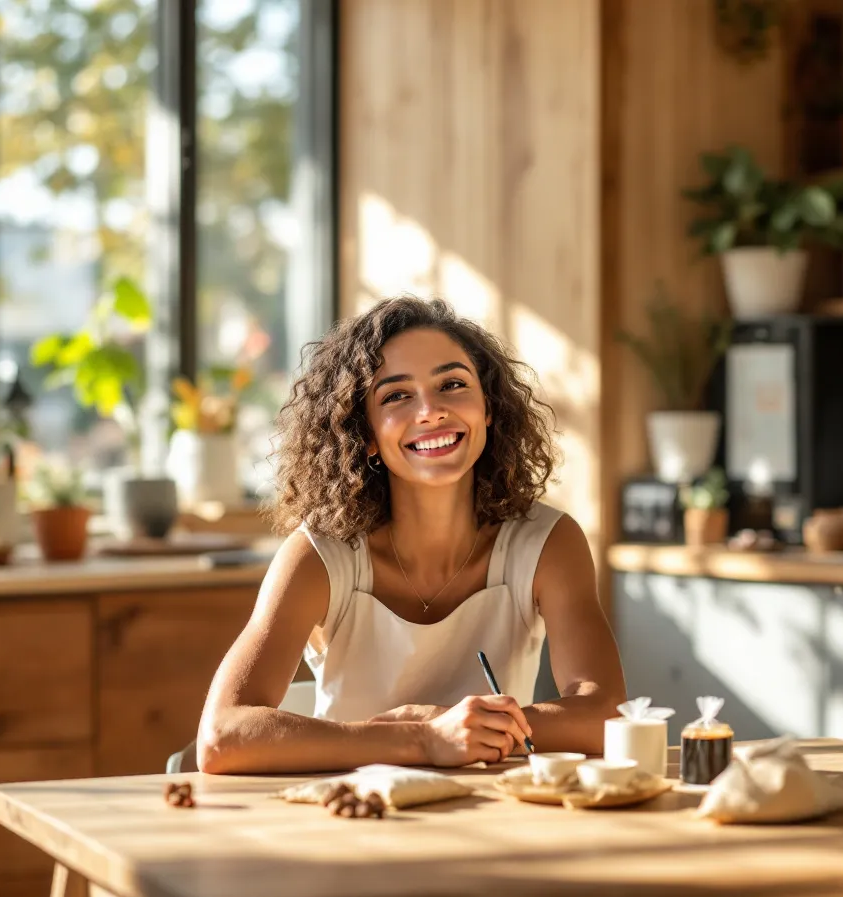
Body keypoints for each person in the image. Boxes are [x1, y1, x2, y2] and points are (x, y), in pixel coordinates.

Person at [197, 296, 626, 774]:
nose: (431, 411)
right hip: (351, 818)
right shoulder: (318, 555)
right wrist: (424, 739)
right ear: (365, 433)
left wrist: (468, 731)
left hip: (500, 819)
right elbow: (221, 736)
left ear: (488, 409)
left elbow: (606, 715)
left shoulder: (549, 542)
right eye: (397, 396)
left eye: (453, 384)